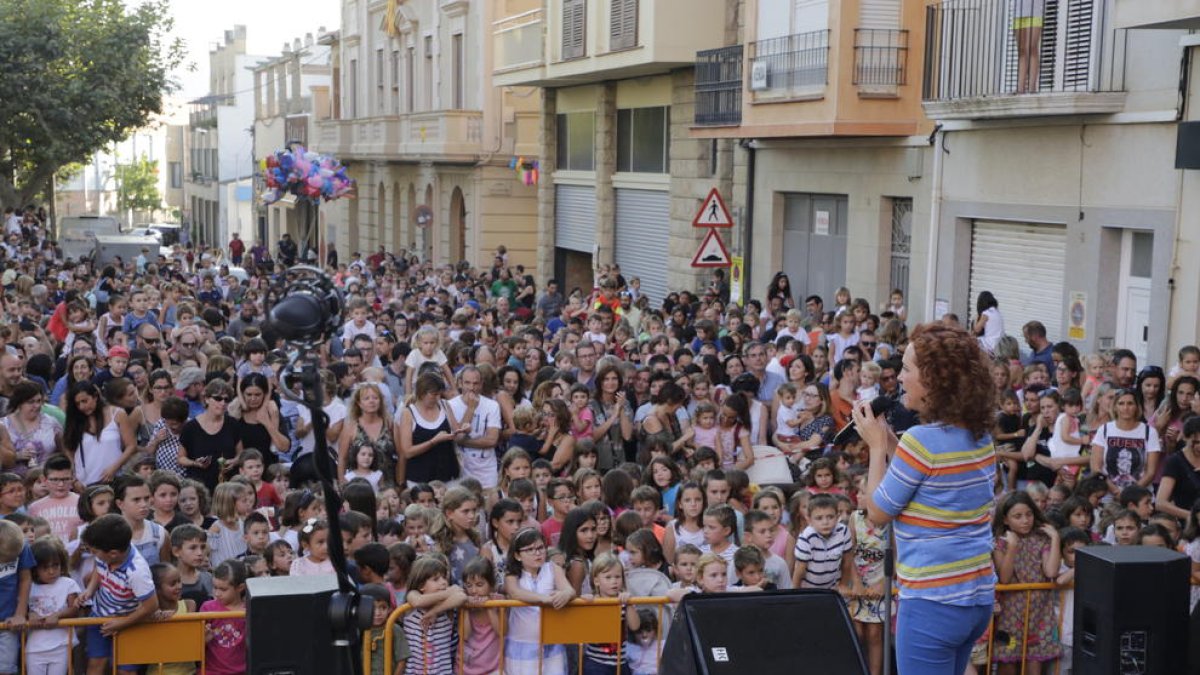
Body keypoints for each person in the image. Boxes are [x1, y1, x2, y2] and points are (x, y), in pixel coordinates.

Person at [854, 323, 997, 674]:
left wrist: (876, 448)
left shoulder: (921, 440)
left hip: (932, 603)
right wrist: (890, 441)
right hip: (976, 598)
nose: (899, 378)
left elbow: (877, 513)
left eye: (906, 369)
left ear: (935, 380)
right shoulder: (979, 436)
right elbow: (930, 474)